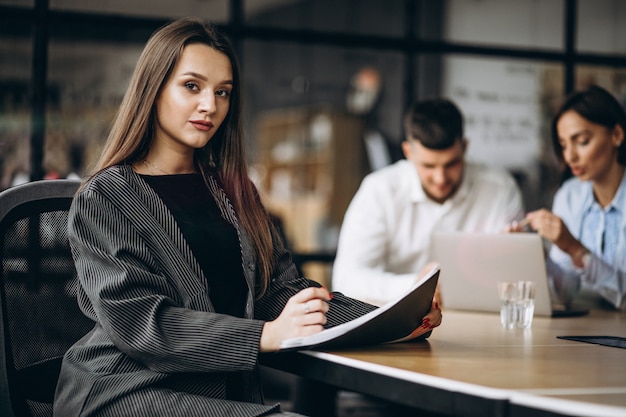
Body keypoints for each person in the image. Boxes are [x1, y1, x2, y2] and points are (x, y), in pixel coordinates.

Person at [52, 17, 442, 417]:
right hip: (124, 390)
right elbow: (141, 323)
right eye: (192, 86)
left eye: (223, 92)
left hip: (220, 390)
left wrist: (391, 319)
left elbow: (280, 291)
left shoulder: (233, 191)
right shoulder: (105, 197)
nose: (211, 105)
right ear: (153, 90)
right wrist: (265, 335)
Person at [332, 98, 524, 305]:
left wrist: (511, 257)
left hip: (481, 317)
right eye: (429, 166)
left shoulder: (500, 188)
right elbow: (346, 279)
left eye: (451, 164)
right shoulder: (379, 190)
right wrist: (415, 285)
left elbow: (518, 277)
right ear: (408, 152)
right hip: (398, 322)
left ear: (465, 147)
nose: (440, 178)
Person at [511, 85, 626, 311]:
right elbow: (564, 294)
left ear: (617, 135)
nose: (570, 156)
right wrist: (535, 254)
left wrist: (575, 248)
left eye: (582, 141)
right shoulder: (569, 195)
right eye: (563, 145)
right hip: (583, 328)